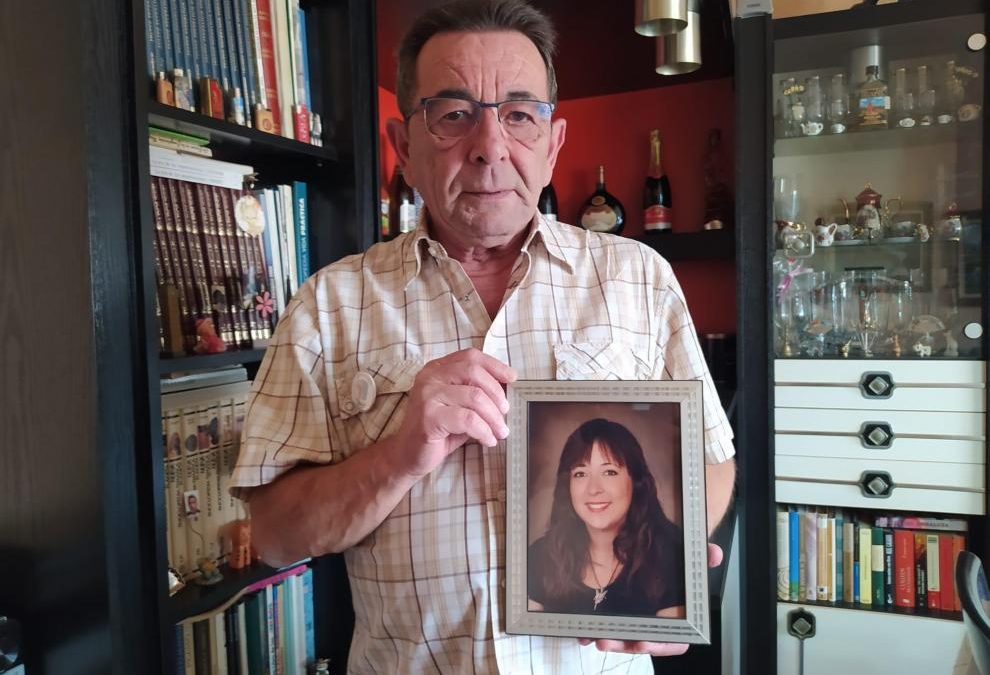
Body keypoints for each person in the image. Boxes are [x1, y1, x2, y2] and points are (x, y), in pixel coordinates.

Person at [231, 0, 736, 672]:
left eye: (520, 114)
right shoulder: (329, 305)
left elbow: (713, 460)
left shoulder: (639, 277)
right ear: (404, 145)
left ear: (552, 144)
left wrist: (666, 576)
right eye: (453, 113)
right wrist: (400, 455)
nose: (490, 146)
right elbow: (272, 533)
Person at [528, 418, 685, 617]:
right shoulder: (541, 555)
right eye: (580, 474)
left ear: (636, 481)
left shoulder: (672, 556)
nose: (594, 489)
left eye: (609, 472)